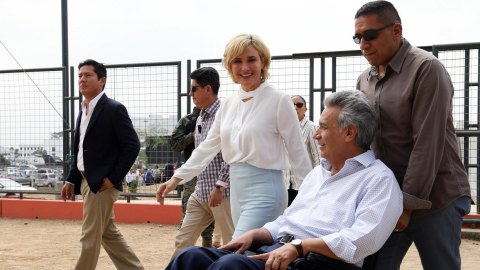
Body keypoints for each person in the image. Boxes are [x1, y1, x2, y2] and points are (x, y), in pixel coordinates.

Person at [165, 90, 403, 270]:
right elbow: (288, 221)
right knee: (190, 257)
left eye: (323, 128)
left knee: (230, 267)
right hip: (278, 249)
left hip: (315, 263)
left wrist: (300, 247)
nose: (316, 134)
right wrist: (255, 234)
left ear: (349, 133)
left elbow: (361, 241)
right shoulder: (318, 174)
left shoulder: (378, 179)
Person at [157, 34, 312, 239]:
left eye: (251, 60)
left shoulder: (279, 100)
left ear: (262, 62)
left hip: (266, 192)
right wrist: (176, 178)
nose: (244, 67)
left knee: (238, 254)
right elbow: (206, 148)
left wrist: (312, 198)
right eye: (237, 61)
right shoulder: (228, 104)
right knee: (251, 259)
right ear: (230, 66)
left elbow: (298, 153)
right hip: (236, 194)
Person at [354, 2, 471, 270]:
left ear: (396, 30)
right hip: (389, 199)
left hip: (438, 198)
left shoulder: (427, 69)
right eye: (357, 38)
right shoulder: (364, 81)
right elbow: (363, 143)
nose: (363, 44)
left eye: (370, 36)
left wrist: (407, 205)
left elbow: (427, 144)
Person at [60, 59, 143, 270]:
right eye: (80, 76)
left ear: (102, 80)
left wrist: (113, 177)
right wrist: (71, 178)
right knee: (108, 233)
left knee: (89, 238)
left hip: (101, 184)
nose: (82, 79)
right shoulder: (83, 109)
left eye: (88, 75)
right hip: (85, 180)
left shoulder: (114, 109)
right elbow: (79, 149)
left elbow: (132, 146)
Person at [168, 67, 234, 259]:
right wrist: (175, 179)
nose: (190, 93)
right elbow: (199, 155)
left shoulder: (226, 114)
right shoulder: (200, 118)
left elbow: (232, 155)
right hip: (200, 192)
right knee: (183, 239)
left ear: (207, 89)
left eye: (194, 88)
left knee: (232, 243)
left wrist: (220, 187)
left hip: (224, 195)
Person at [170, 105, 215, 248]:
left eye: (195, 89)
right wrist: (192, 136)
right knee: (189, 211)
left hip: (212, 172)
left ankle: (207, 248)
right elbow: (174, 145)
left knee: (211, 212)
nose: (192, 93)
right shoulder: (187, 121)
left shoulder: (218, 117)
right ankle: (185, 252)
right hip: (192, 174)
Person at [283, 95, 321, 205]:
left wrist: (316, 182)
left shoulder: (312, 128)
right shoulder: (283, 128)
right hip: (285, 184)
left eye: (299, 105)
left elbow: (318, 157)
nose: (295, 107)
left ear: (305, 109)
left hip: (303, 184)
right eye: (291, 105)